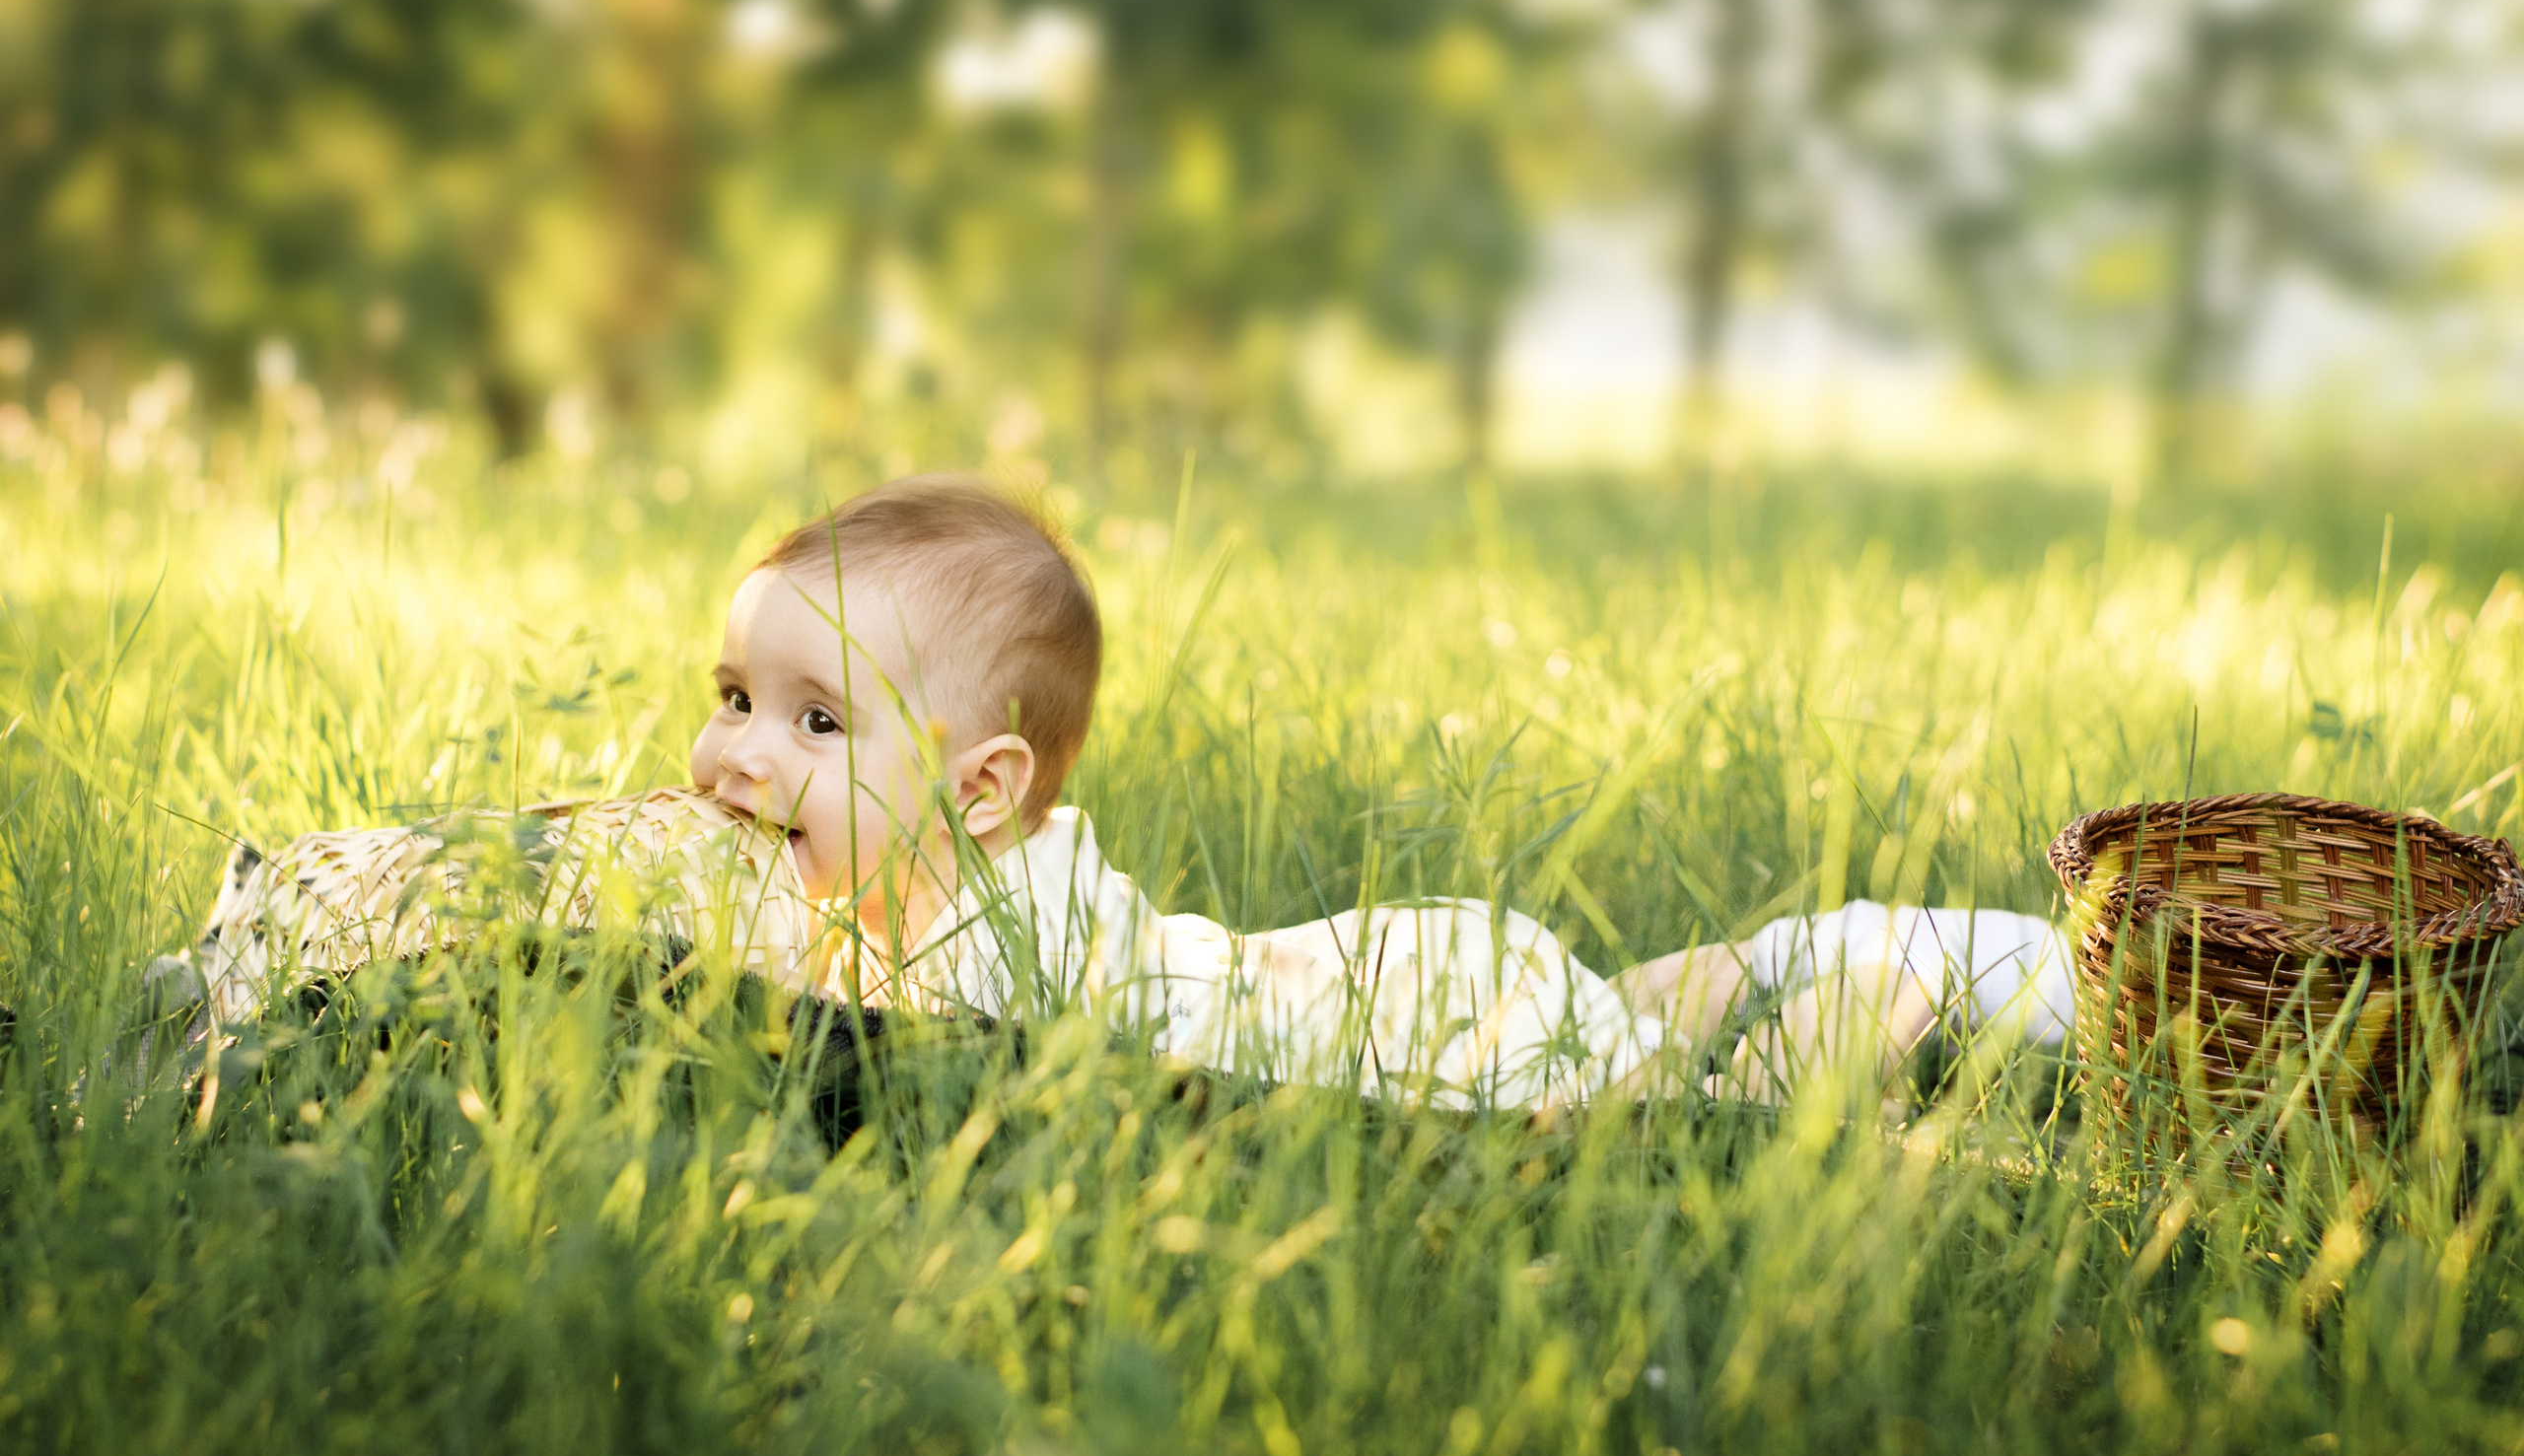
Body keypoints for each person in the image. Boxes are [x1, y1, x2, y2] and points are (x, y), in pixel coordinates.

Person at [164, 475, 2073, 1119]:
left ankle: (1920, 973)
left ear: (985, 790)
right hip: (1354, 965)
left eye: (816, 723)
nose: (742, 752)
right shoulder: (875, 875)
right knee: (1647, 999)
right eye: (734, 694)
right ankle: (1803, 965)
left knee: (1664, 1069)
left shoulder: (984, 940)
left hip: (1386, 1026)